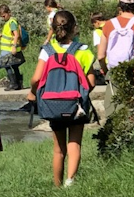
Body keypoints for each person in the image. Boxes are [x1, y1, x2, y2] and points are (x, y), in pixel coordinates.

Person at [27, 11, 95, 187]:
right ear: (74, 28)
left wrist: (34, 92)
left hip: (53, 104)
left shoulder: (47, 51)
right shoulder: (84, 51)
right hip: (76, 104)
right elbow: (91, 83)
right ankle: (70, 180)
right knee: (75, 144)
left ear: (53, 29)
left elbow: (35, 79)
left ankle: (56, 185)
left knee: (58, 149)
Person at [0, 4, 25, 90]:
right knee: (14, 65)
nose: (3, 18)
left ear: (9, 13)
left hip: (9, 48)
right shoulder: (9, 23)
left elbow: (16, 35)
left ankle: (13, 83)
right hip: (7, 48)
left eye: (4, 16)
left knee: (6, 65)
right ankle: (18, 83)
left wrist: (14, 46)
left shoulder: (12, 22)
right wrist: (1, 35)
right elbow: (9, 34)